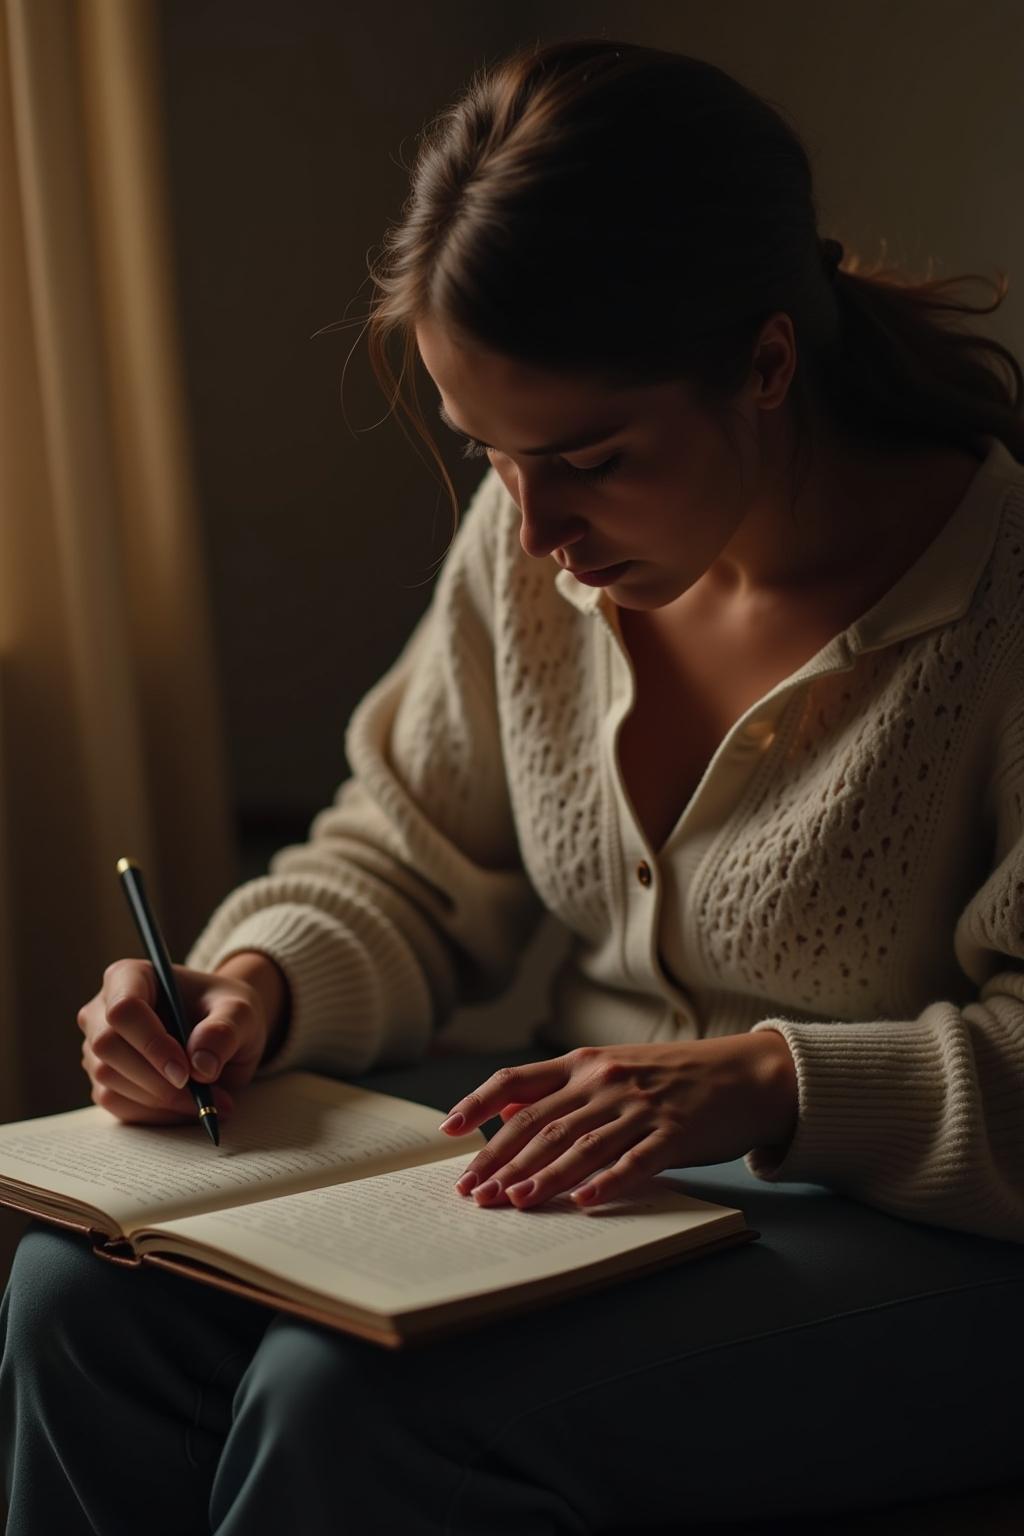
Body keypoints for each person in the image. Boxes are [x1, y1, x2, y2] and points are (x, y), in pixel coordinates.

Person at [3, 35, 1024, 1536]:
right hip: (599, 1174)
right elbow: (408, 858)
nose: (537, 530)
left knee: (351, 1405)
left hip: (934, 1246)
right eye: (488, 453)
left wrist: (770, 1081)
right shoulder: (535, 545)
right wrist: (248, 986)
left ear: (767, 364)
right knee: (79, 1295)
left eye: (592, 459)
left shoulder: (999, 604)